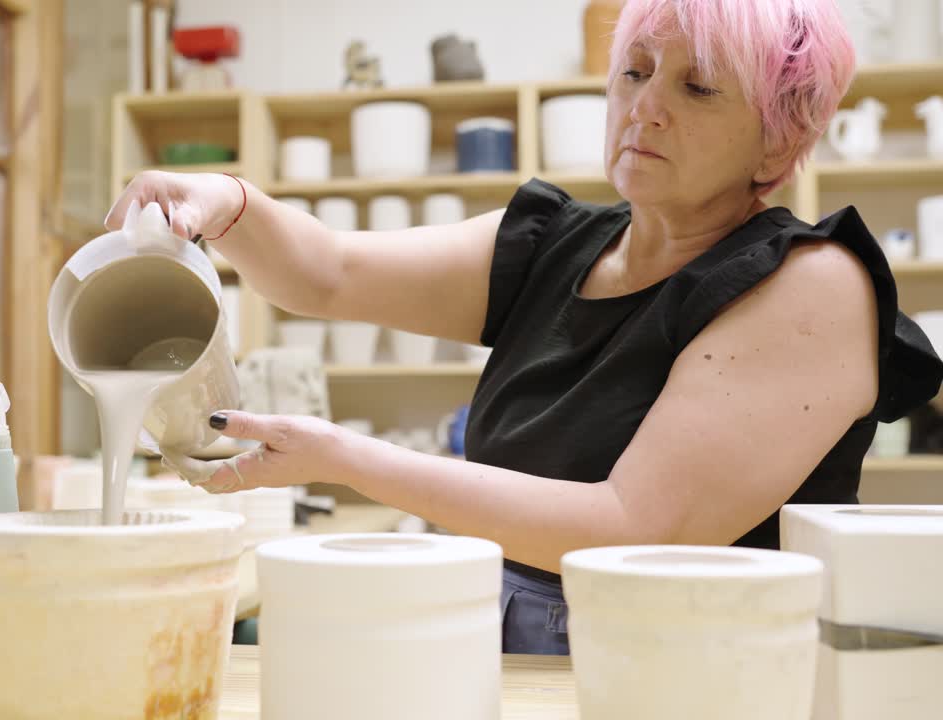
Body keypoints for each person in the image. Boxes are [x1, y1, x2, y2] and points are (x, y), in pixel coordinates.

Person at [104, 0, 943, 655]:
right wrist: (225, 204)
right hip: (504, 633)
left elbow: (633, 526)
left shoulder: (810, 289)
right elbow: (326, 273)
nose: (645, 107)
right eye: (635, 71)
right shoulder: (559, 242)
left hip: (688, 663)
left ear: (777, 141)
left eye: (697, 87)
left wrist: (344, 457)